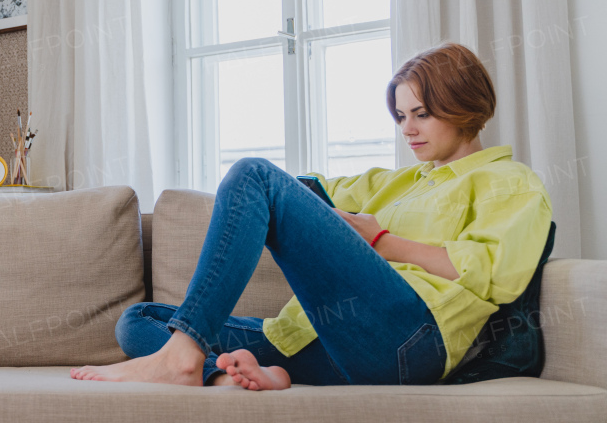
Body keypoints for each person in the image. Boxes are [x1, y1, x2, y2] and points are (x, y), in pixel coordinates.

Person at [72, 43, 551, 390]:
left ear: (463, 106)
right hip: (326, 340)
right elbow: (307, 191)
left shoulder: (509, 181)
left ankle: (182, 359)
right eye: (400, 116)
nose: (407, 129)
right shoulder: (399, 181)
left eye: (420, 114)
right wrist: (286, 208)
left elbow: (497, 274)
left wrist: (381, 240)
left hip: (407, 339)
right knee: (138, 320)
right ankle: (219, 373)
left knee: (252, 173)